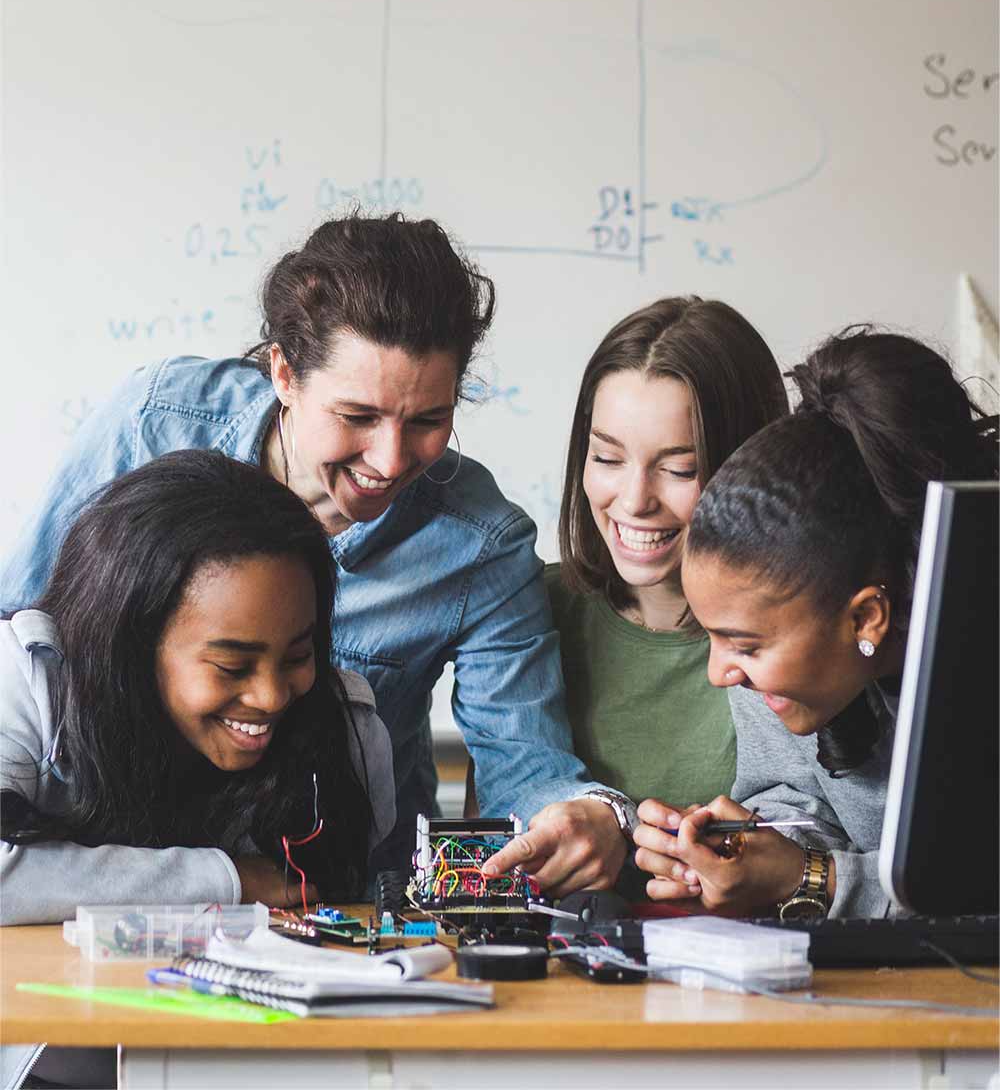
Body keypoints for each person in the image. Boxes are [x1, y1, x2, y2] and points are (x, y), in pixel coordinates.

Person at [0, 213, 632, 893]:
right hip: (91, 879)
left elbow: (527, 772)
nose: (390, 461)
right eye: (357, 417)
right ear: (284, 373)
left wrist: (596, 818)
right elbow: (22, 634)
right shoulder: (155, 423)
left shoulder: (479, 542)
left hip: (331, 888)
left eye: (427, 420)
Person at [632, 327, 999, 919]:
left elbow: (974, 892)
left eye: (744, 646)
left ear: (867, 618)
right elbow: (797, 799)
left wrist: (816, 879)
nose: (720, 671)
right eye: (712, 636)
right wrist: (753, 854)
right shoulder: (777, 671)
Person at [1, 450, 394, 925]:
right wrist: (230, 880)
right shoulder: (23, 679)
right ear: (130, 647)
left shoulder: (348, 737)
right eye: (231, 666)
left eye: (298, 656)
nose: (271, 697)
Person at [546, 298, 788, 826]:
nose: (635, 500)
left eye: (680, 469)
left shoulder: (803, 639)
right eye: (607, 458)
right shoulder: (532, 613)